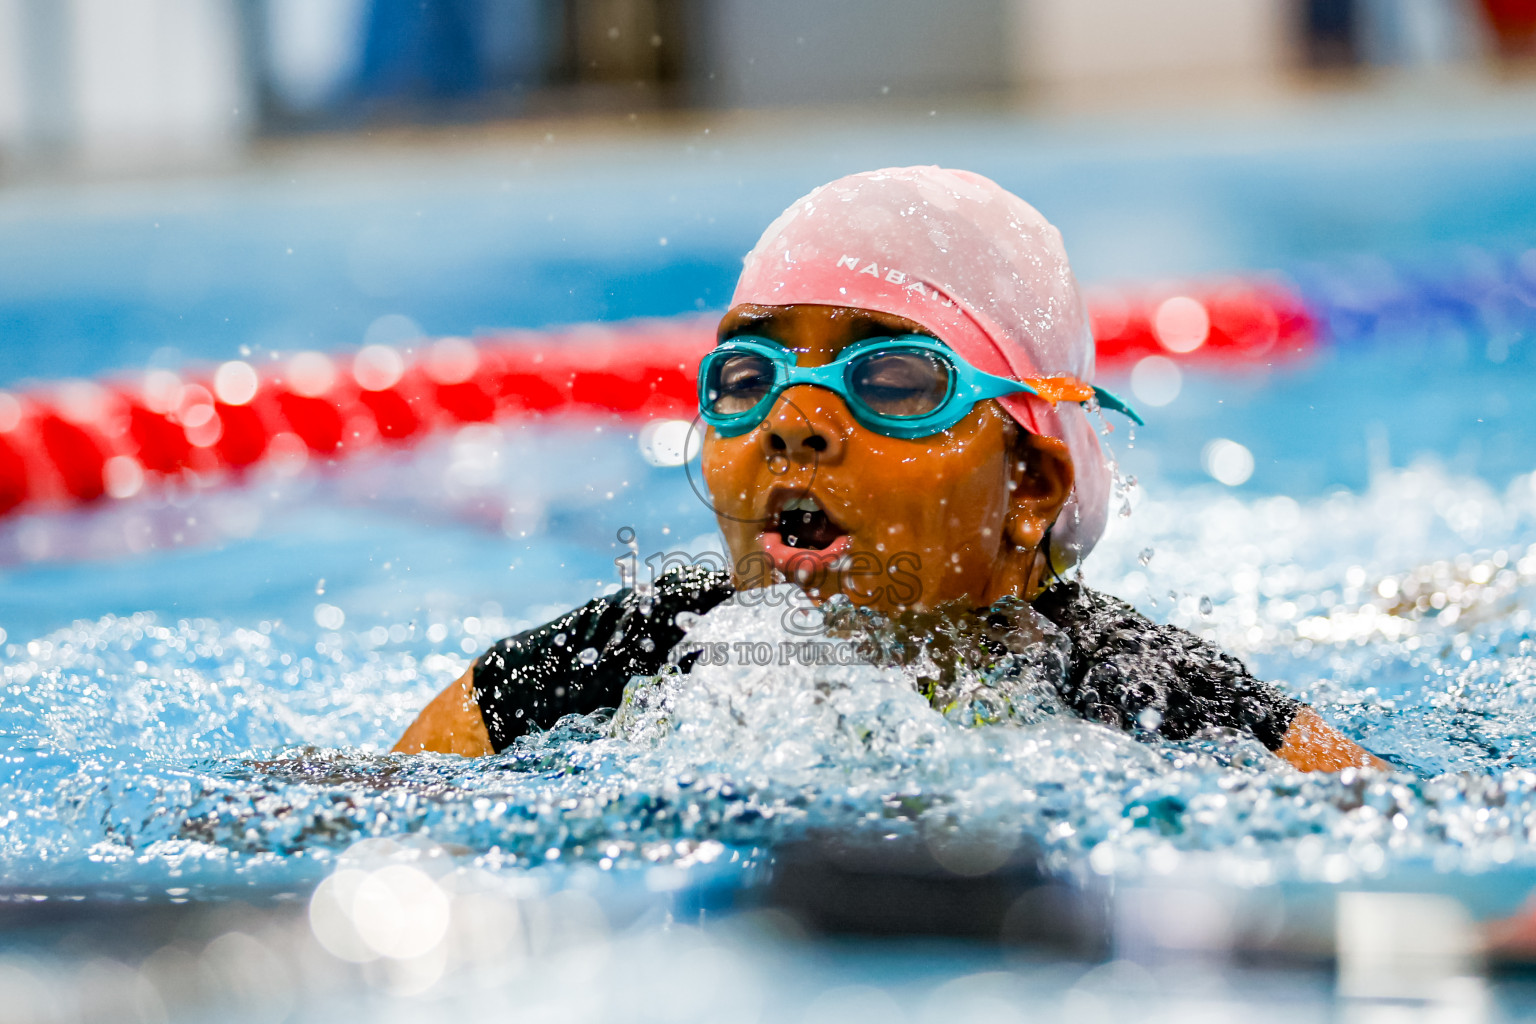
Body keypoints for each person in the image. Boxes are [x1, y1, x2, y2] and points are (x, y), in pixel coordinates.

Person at [394, 166, 1384, 774]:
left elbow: (1393, 821)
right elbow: (339, 805)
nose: (796, 424)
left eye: (894, 378)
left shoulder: (1134, 687)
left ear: (1031, 486)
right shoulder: (629, 651)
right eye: (749, 374)